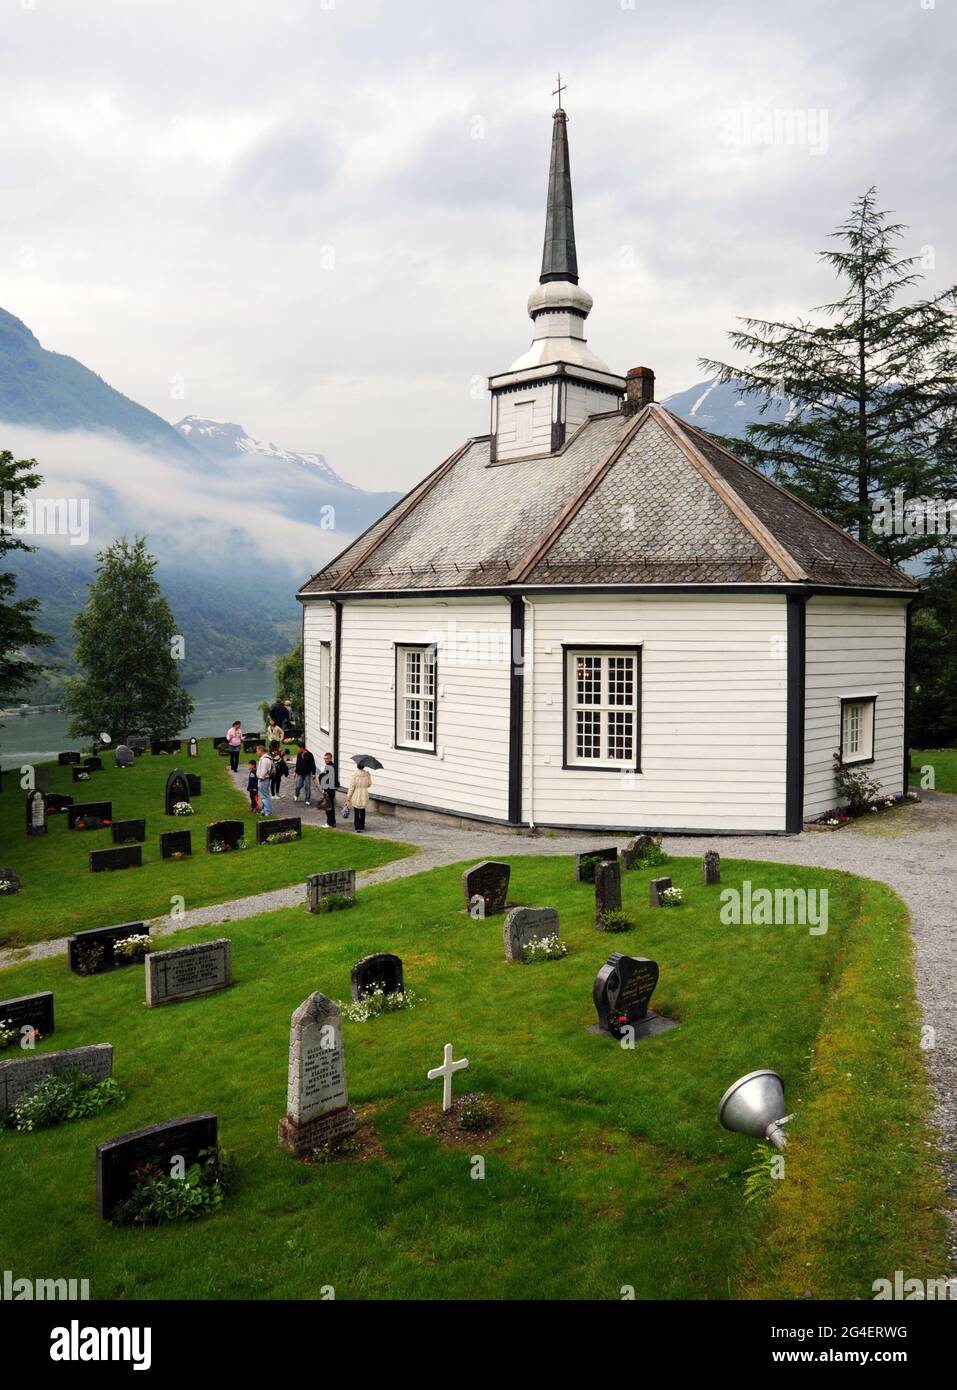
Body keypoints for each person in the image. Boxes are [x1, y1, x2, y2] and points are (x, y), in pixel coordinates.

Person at [346, 763, 371, 833]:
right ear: (363, 766)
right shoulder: (367, 774)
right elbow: (369, 784)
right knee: (363, 810)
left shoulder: (354, 775)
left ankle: (357, 827)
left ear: (357, 766)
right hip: (364, 793)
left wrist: (348, 797)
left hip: (356, 794)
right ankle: (362, 826)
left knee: (356, 811)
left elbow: (352, 787)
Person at [294, 741, 317, 806]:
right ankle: (296, 794)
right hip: (299, 773)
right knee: (299, 785)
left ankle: (307, 799)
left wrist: (313, 773)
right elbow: (297, 763)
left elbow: (313, 764)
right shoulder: (299, 754)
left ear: (302, 748)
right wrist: (295, 772)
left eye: (298, 748)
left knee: (307, 786)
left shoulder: (309, 755)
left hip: (307, 773)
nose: (297, 749)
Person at [317, 751, 336, 827]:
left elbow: (326, 779)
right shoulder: (329, 766)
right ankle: (332, 822)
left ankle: (329, 823)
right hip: (329, 788)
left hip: (329, 789)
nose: (325, 760)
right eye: (325, 759)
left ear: (331, 758)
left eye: (327, 758)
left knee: (328, 807)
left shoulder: (330, 767)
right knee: (330, 806)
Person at [255, 744, 273, 816]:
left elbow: (264, 771)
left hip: (263, 779)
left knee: (265, 796)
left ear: (261, 751)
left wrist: (260, 778)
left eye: (257, 751)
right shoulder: (265, 758)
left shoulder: (265, 759)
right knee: (263, 796)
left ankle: (267, 812)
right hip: (264, 779)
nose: (256, 753)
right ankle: (263, 810)